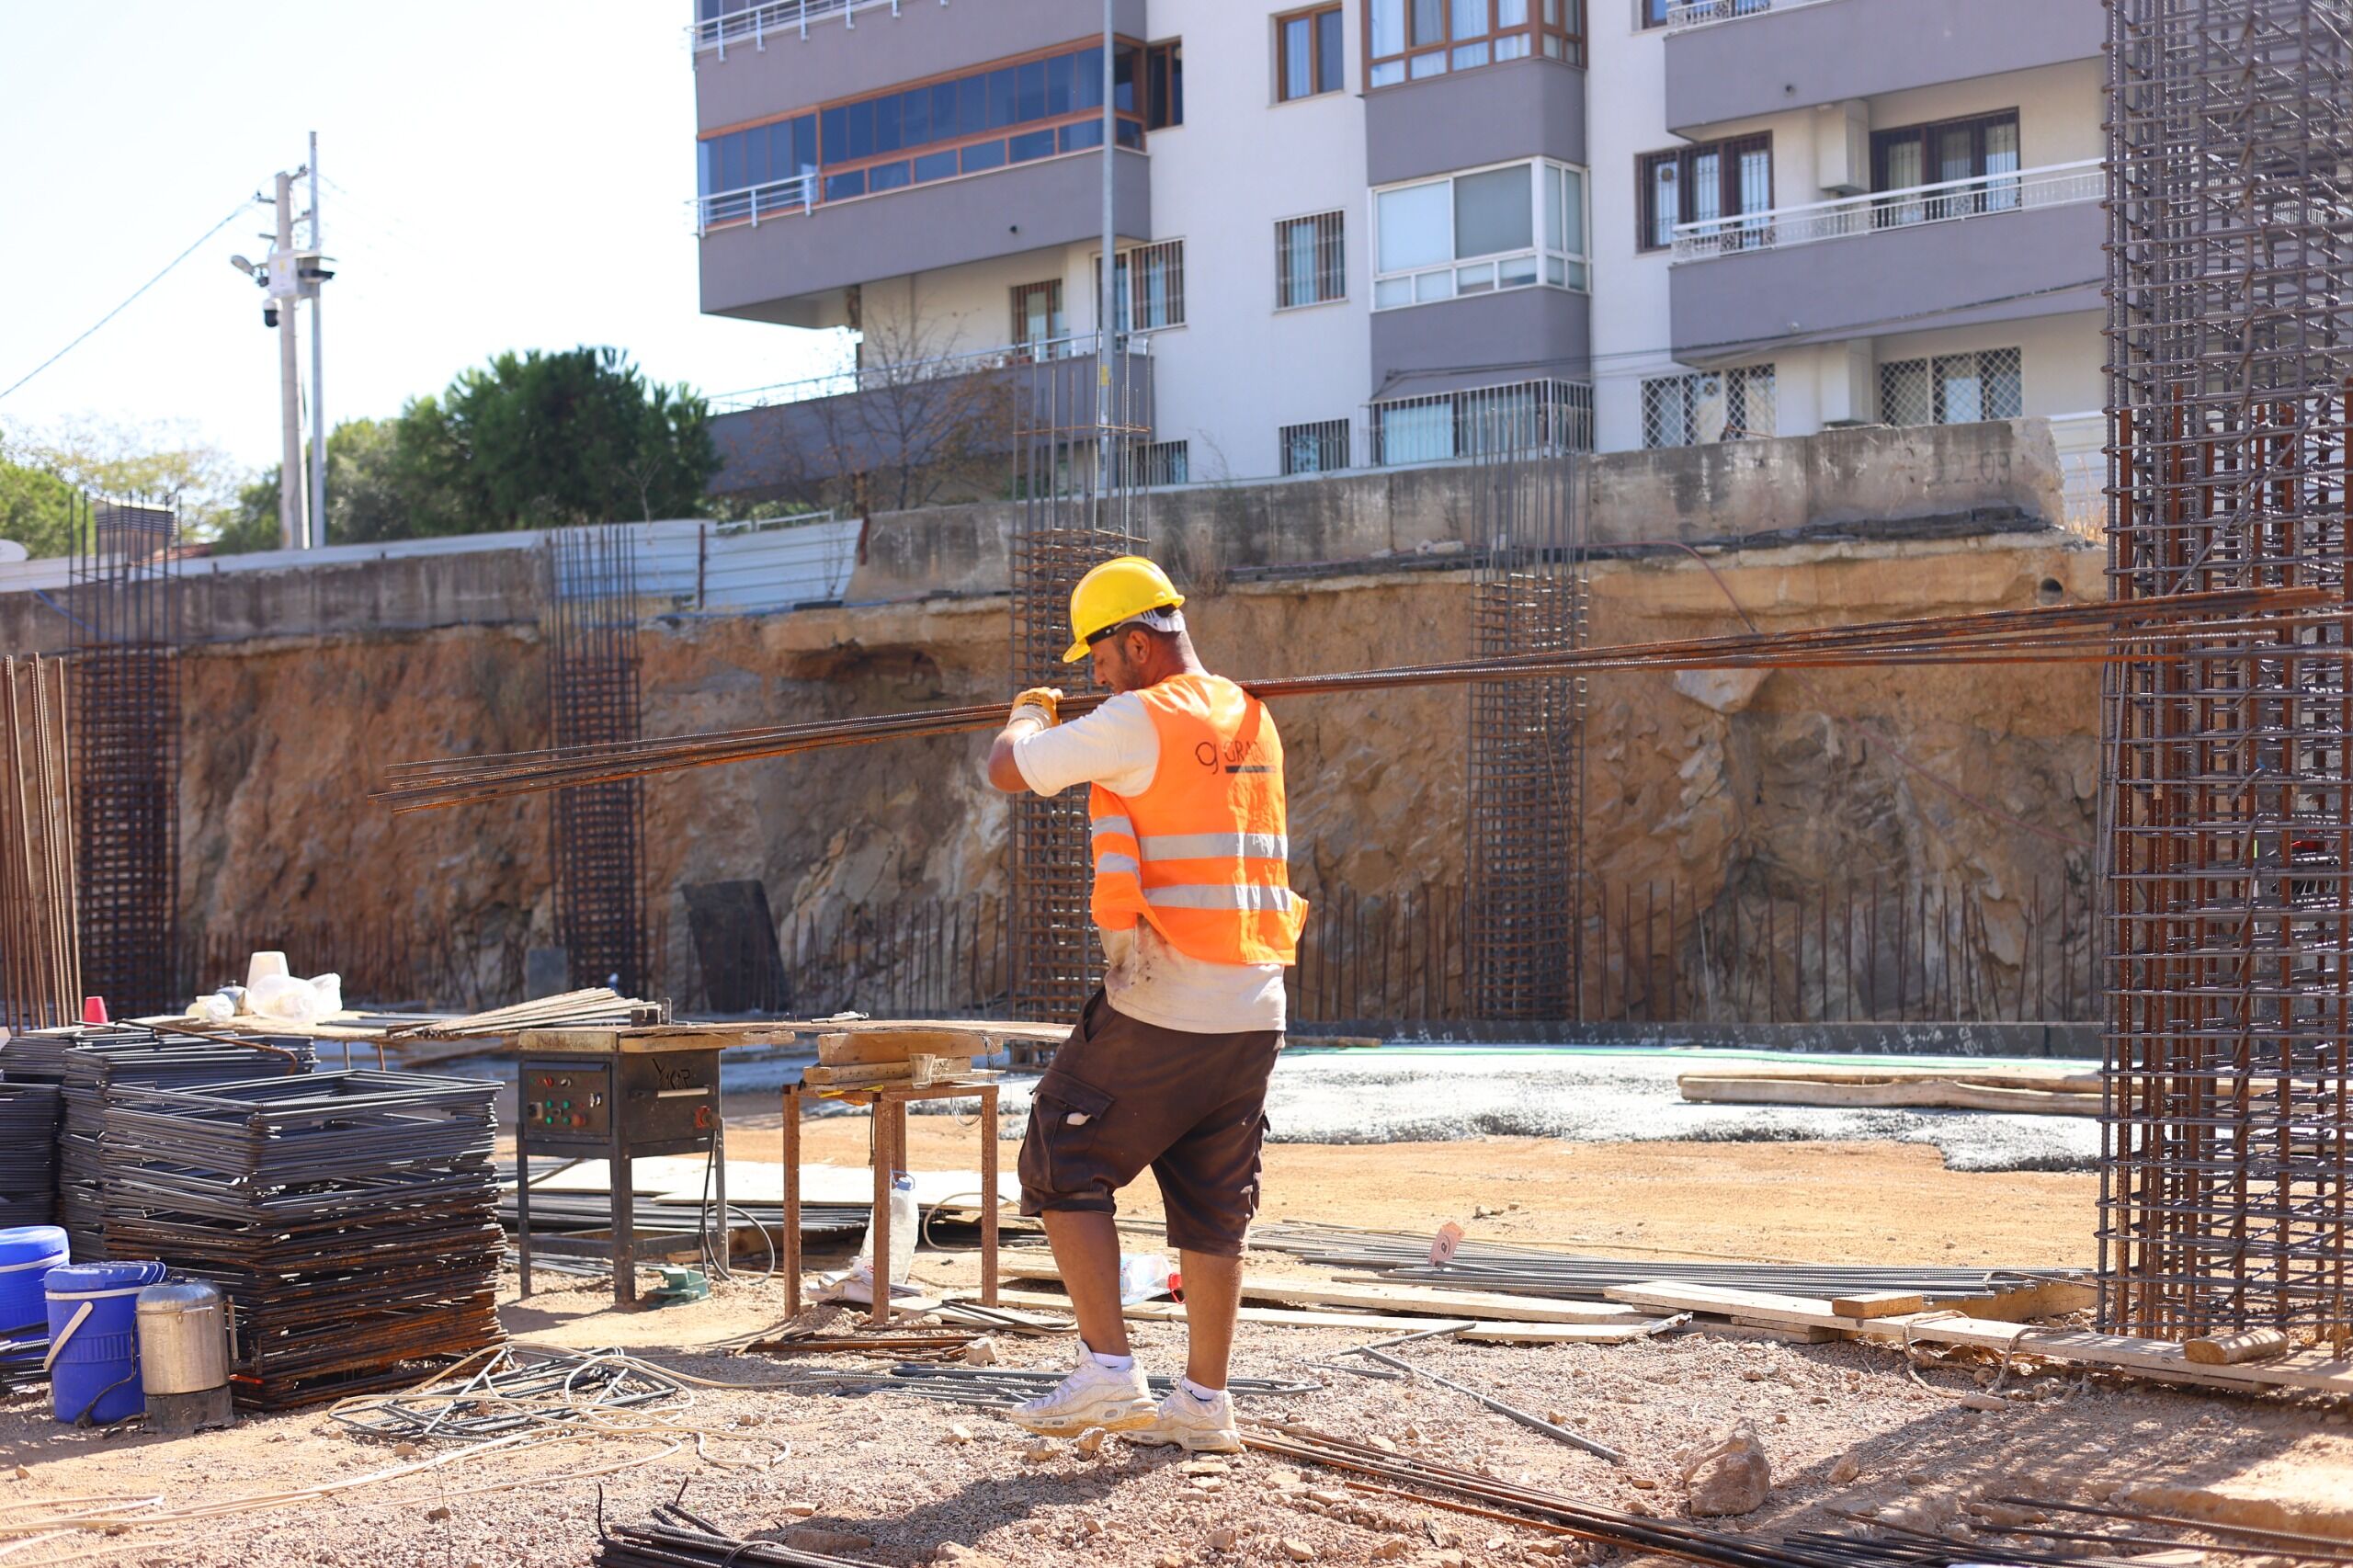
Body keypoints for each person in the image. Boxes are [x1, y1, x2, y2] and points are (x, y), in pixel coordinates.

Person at [981, 554, 1306, 1454]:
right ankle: (1203, 1402)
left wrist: (1027, 713)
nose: (1092, 674)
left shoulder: (1136, 718)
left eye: (1098, 655)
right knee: (1211, 1203)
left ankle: (1107, 1371)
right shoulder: (1249, 715)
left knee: (1060, 1155)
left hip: (1169, 995)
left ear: (1136, 640)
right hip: (1254, 1001)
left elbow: (1010, 770)